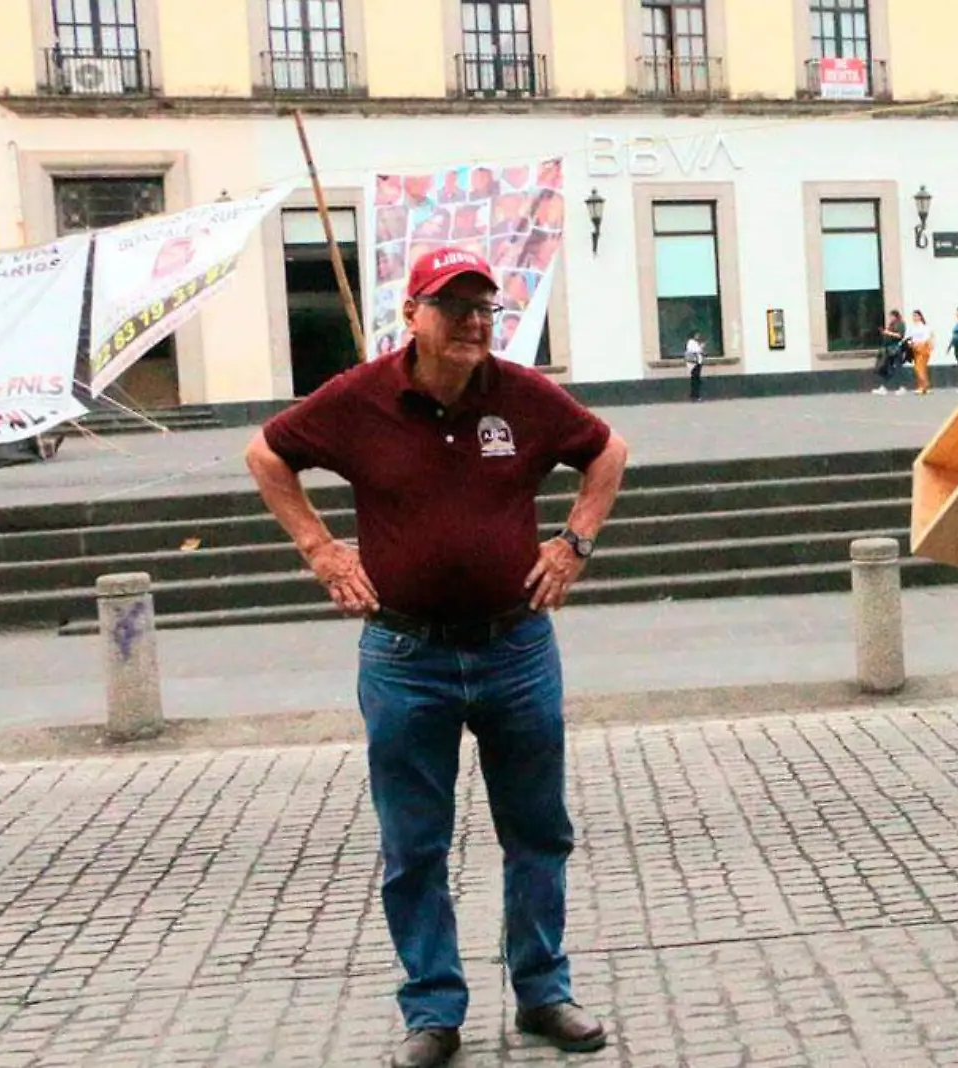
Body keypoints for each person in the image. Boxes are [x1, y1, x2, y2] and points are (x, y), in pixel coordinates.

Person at [245, 248, 630, 1068]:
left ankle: (542, 992)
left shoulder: (522, 396)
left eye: (485, 306)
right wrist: (319, 550)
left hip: (516, 648)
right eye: (455, 306)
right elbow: (266, 454)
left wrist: (574, 543)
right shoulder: (360, 398)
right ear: (412, 315)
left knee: (537, 831)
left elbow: (608, 451)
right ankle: (434, 1010)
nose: (474, 322)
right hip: (403, 652)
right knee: (413, 844)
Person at [874, 310, 908, 395]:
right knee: (889, 369)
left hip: (896, 349)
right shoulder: (891, 324)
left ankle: (901, 387)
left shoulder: (900, 324)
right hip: (890, 349)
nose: (890, 318)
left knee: (897, 368)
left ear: (895, 316)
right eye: (890, 317)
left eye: (891, 316)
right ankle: (883, 387)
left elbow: (900, 335)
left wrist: (888, 332)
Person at [907, 310, 934, 394]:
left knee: (919, 368)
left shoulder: (925, 327)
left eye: (916, 316)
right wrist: (910, 343)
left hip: (923, 348)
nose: (914, 318)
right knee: (920, 368)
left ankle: (924, 385)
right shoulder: (913, 327)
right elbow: (909, 337)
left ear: (920, 317)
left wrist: (918, 343)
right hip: (915, 348)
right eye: (913, 316)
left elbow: (926, 338)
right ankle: (922, 386)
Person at [685, 331, 707, 402]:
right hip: (693, 363)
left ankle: (696, 395)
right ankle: (695, 396)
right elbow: (696, 350)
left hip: (698, 362)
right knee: (695, 380)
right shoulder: (691, 342)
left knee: (697, 380)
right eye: (696, 335)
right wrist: (701, 347)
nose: (698, 336)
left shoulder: (695, 342)